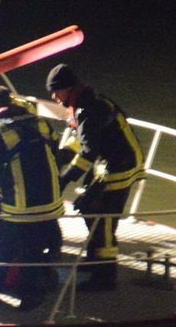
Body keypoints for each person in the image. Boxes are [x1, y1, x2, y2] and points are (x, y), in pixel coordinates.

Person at [46, 63, 145, 291]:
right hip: (109, 161)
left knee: (103, 218)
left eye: (56, 91)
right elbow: (86, 141)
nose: (54, 96)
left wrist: (65, 178)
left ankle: (105, 278)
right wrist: (60, 157)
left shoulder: (87, 110)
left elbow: (88, 152)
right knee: (87, 206)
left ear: (68, 89)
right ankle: (93, 260)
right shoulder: (87, 102)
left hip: (120, 165)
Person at [0, 85, 63, 310]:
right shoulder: (42, 123)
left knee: (4, 249)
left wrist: (5, 188)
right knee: (33, 252)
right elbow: (55, 151)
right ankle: (32, 298)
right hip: (51, 201)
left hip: (20, 205)